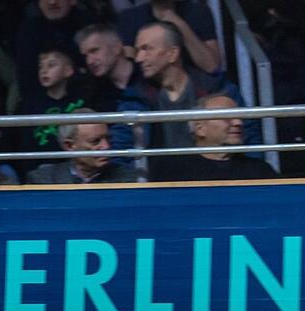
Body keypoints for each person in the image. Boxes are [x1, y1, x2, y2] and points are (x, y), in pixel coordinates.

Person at [117, 21, 261, 153]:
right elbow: (122, 151)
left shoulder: (219, 90)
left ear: (172, 54)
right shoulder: (135, 98)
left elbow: (250, 141)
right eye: (138, 50)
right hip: (159, 180)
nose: (139, 58)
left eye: (146, 49)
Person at [149, 95, 278, 181]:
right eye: (227, 116)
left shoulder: (259, 171)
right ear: (200, 128)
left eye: (239, 116)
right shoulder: (171, 171)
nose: (238, 122)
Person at [17, 48, 88, 174]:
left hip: (75, 164)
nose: (44, 71)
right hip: (42, 165)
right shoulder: (31, 105)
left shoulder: (81, 100)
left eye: (51, 65)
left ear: (68, 70)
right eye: (40, 67)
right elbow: (26, 141)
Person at [26, 110, 138, 184]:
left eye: (108, 139)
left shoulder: (126, 179)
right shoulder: (42, 180)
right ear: (69, 146)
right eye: (95, 141)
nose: (106, 146)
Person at [117, 0, 220, 74]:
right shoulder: (129, 17)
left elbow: (212, 66)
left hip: (195, 87)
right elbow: (130, 71)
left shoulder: (198, 12)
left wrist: (179, 24)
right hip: (148, 93)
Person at [76, 23, 142, 113]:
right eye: (85, 56)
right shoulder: (93, 93)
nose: (89, 61)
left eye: (94, 51)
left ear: (117, 47)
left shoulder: (148, 77)